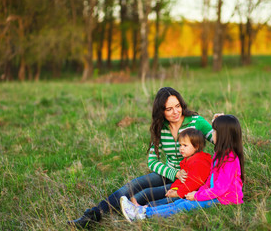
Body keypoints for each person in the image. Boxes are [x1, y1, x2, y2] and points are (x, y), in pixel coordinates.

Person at [67, 87, 214, 228]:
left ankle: (131, 213)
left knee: (143, 195)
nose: (175, 112)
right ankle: (92, 216)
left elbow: (219, 140)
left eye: (178, 106)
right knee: (132, 185)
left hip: (190, 176)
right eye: (169, 109)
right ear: (161, 111)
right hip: (170, 172)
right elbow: (152, 161)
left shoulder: (196, 121)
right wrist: (174, 173)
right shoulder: (160, 127)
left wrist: (219, 125)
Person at [120, 114, 245, 221]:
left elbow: (220, 189)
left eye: (215, 131)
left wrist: (197, 196)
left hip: (225, 199)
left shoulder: (229, 159)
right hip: (215, 194)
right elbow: (211, 182)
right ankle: (143, 210)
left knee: (184, 205)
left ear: (224, 135)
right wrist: (199, 192)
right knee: (180, 202)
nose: (212, 133)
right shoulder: (220, 154)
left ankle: (144, 214)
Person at [131, 128, 212, 207]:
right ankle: (135, 204)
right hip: (183, 190)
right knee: (153, 193)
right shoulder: (188, 159)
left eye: (185, 145)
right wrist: (174, 188)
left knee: (166, 201)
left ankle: (144, 209)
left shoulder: (199, 162)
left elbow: (193, 184)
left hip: (193, 193)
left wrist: (177, 193)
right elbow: (182, 179)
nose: (181, 148)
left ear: (197, 146)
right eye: (180, 145)